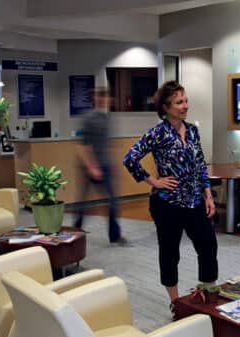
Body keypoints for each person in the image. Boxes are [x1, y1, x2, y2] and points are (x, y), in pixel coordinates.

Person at [123, 81, 218, 308]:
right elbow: (130, 158)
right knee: (169, 252)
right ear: (166, 107)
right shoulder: (158, 133)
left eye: (185, 100)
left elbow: (200, 165)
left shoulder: (192, 131)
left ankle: (208, 293)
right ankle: (176, 302)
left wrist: (208, 194)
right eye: (179, 102)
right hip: (167, 204)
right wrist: (154, 180)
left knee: (208, 245)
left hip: (195, 200)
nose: (185, 106)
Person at [74, 87, 127, 244]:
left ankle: (114, 236)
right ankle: (75, 232)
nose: (104, 99)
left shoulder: (107, 118)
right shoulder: (88, 118)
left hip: (106, 167)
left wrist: (113, 164)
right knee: (83, 204)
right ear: (95, 99)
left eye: (106, 97)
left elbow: (107, 143)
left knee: (113, 202)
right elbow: (83, 145)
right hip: (89, 168)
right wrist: (91, 167)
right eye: (101, 96)